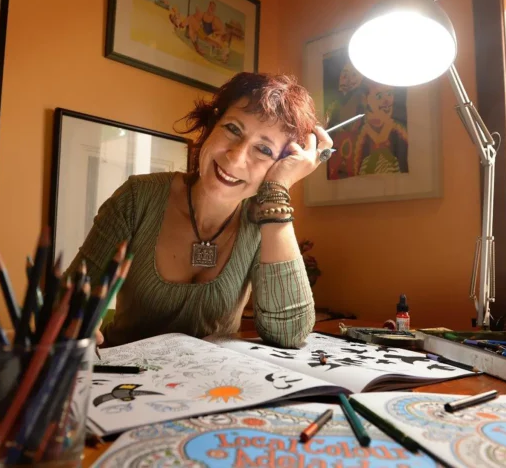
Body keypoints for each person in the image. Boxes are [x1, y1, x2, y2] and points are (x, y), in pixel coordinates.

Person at [66, 72, 333, 349]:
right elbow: (67, 306)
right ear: (211, 125)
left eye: (264, 150)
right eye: (233, 129)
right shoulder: (137, 197)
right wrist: (76, 322)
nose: (236, 156)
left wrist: (277, 191)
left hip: (218, 388)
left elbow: (290, 334)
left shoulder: (263, 219)